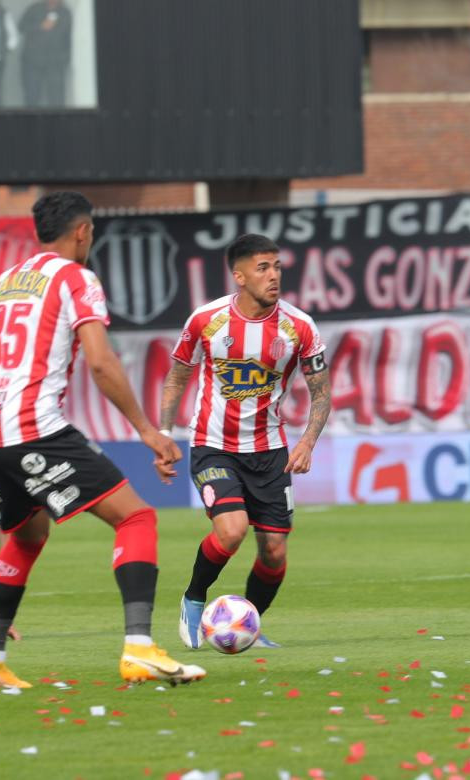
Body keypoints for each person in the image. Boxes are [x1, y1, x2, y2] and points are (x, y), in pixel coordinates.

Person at [0, 191, 204, 688]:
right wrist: (146, 430)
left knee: (28, 536)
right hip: (35, 428)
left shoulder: (4, 283)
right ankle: (139, 648)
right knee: (135, 516)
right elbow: (101, 362)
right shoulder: (76, 278)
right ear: (83, 231)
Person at [160, 234, 331, 650]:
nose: (274, 276)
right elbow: (179, 376)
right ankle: (194, 597)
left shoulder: (299, 326)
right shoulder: (206, 319)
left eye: (276, 267)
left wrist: (307, 441)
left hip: (270, 453)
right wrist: (164, 434)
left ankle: (245, 626)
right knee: (232, 530)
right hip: (213, 446)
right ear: (239, 276)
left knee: (273, 551)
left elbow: (322, 391)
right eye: (262, 268)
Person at [19, 0, 71, 108]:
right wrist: (40, 26)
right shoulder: (34, 9)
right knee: (32, 98)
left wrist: (65, 59)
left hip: (55, 63)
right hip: (32, 62)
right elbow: (21, 26)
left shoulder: (65, 13)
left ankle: (58, 124)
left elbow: (68, 39)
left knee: (57, 99)